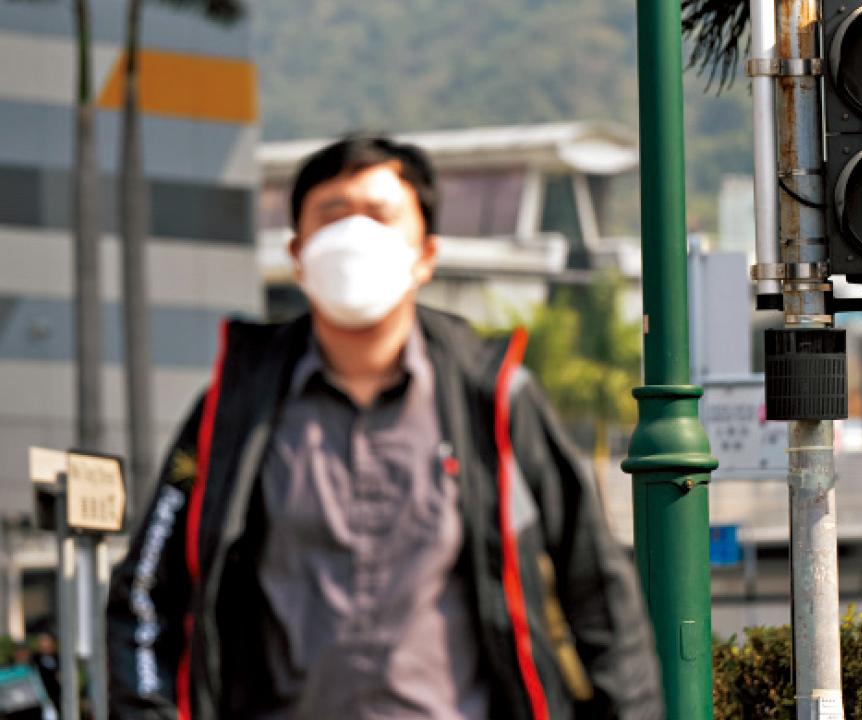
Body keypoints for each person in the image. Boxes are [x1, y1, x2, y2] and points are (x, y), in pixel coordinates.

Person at [106, 134, 663, 720]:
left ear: (426, 253)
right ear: (297, 255)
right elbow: (144, 593)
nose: (354, 236)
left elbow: (597, 586)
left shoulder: (491, 397)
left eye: (379, 215)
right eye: (332, 215)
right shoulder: (234, 409)